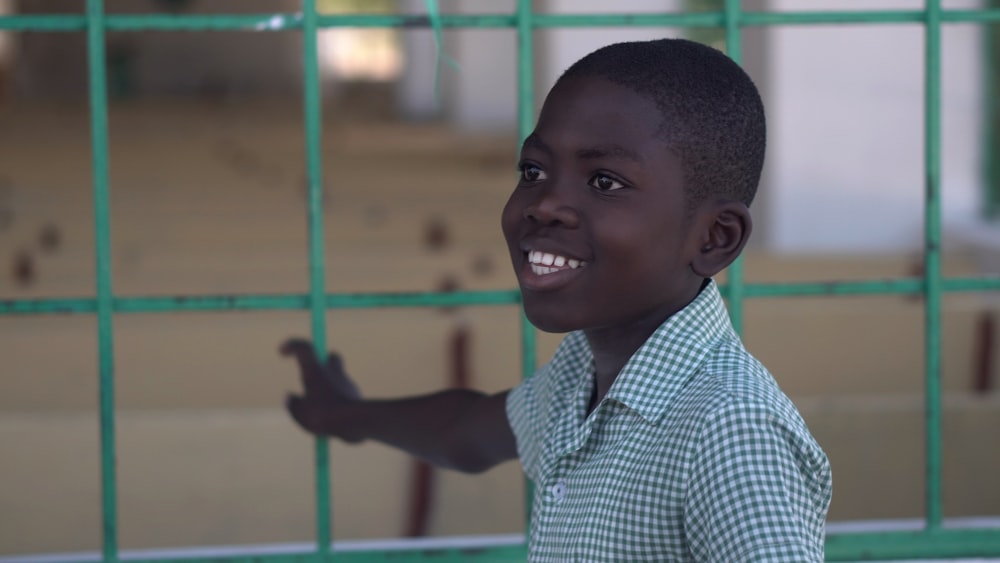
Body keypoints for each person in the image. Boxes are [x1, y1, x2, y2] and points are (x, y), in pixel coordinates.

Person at [280, 38, 832, 561]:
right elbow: (466, 432)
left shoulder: (730, 429)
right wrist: (345, 414)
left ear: (715, 238)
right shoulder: (583, 376)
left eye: (605, 182)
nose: (544, 205)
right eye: (534, 170)